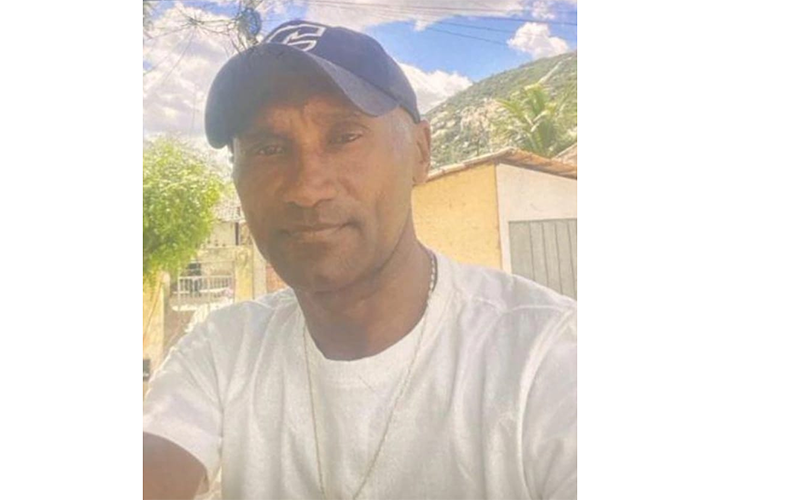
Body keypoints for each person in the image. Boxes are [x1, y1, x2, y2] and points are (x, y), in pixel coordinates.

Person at [143, 19, 577, 500]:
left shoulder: (547, 357)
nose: (308, 189)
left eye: (344, 137)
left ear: (420, 153)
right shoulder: (222, 351)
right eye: (268, 149)